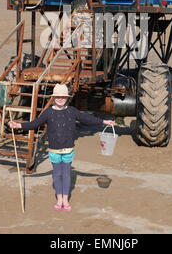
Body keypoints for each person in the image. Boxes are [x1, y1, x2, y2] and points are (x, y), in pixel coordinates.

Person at [8, 83, 115, 212]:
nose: (60, 99)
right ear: (53, 97)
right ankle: (59, 199)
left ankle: (65, 200)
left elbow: (87, 118)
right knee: (57, 175)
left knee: (66, 175)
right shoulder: (48, 112)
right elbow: (34, 124)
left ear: (67, 98)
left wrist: (104, 122)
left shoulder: (72, 111)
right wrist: (18, 125)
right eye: (58, 96)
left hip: (68, 150)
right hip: (54, 151)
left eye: (63, 97)